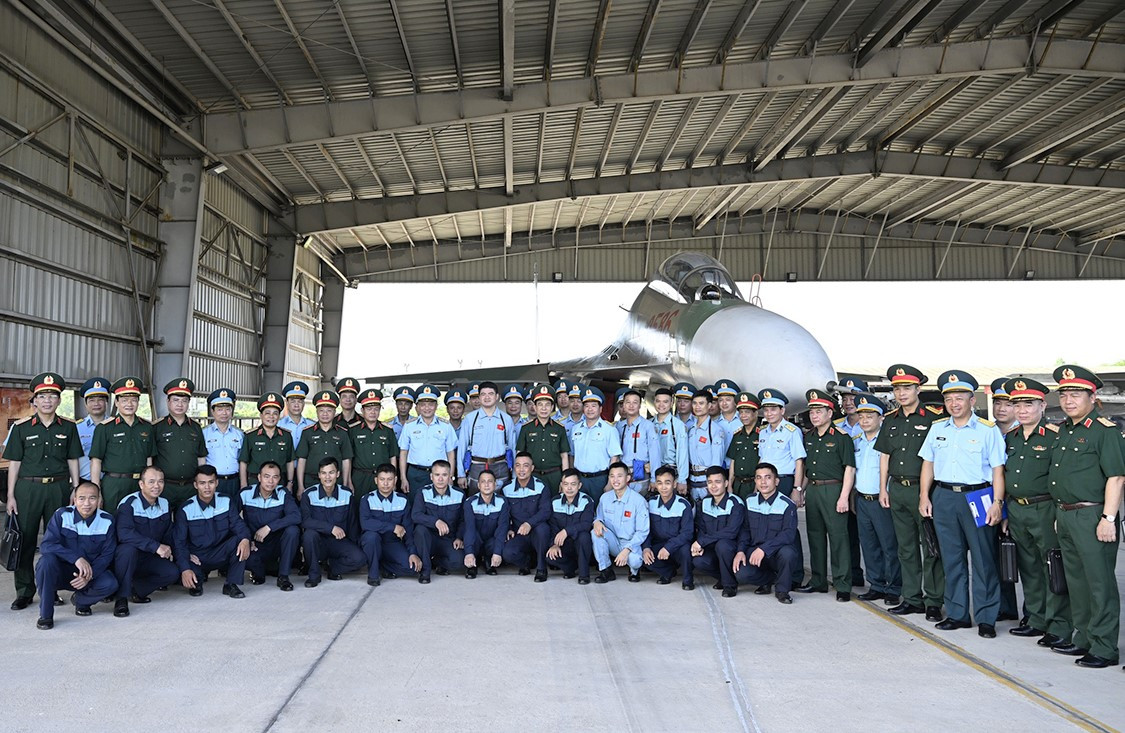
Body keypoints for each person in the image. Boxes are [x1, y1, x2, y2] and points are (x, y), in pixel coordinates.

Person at [1047, 365, 1125, 668]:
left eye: (1076, 394)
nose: (1068, 400)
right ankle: (1083, 638)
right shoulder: (1065, 429)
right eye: (1064, 395)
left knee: (1099, 583)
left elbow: (1116, 477)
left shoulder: (1104, 431)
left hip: (1093, 515)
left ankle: (1104, 648)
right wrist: (1061, 510)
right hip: (1066, 514)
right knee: (1076, 582)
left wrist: (1108, 518)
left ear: (1092, 397)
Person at [919, 370, 1007, 639]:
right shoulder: (937, 428)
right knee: (951, 558)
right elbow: (928, 464)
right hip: (944, 496)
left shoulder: (987, 431)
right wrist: (924, 496)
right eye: (949, 399)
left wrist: (997, 503)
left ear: (972, 400)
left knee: (983, 560)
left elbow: (998, 470)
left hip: (978, 497)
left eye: (959, 398)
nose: (954, 404)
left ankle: (986, 618)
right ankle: (958, 614)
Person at [1001, 377, 1072, 647]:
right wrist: (1005, 512)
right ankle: (1036, 619)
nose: (1022, 410)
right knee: (1028, 567)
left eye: (1028, 404)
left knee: (1052, 567)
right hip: (1017, 509)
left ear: (1042, 405)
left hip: (1045, 509)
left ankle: (1059, 625)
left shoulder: (1056, 436)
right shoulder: (1011, 437)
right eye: (1017, 405)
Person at [5, 372, 82, 610]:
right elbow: (14, 463)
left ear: (59, 400)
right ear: (35, 400)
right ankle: (24, 591)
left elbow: (73, 459)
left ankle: (52, 589)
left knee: (57, 540)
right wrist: (10, 495)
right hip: (28, 489)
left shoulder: (68, 427)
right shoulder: (21, 428)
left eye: (52, 396)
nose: (47, 400)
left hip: (59, 487)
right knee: (25, 540)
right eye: (42, 396)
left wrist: (75, 488)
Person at [876, 363, 946, 620]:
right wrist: (883, 488)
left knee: (931, 547)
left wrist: (927, 493)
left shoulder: (933, 418)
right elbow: (885, 456)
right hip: (897, 489)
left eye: (907, 388)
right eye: (897, 389)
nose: (901, 393)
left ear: (918, 389)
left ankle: (933, 600)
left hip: (924, 490)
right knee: (905, 548)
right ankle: (912, 598)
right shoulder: (890, 420)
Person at [33, 481, 117, 629]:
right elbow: (47, 545)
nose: (87, 503)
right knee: (45, 562)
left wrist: (89, 575)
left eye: (92, 498)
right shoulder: (62, 515)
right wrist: (76, 558)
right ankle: (45, 615)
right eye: (82, 498)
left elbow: (107, 555)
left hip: (89, 573)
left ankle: (81, 601)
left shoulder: (106, 521)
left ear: (99, 500)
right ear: (75, 499)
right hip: (61, 572)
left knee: (110, 584)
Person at [798, 389, 856, 602]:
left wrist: (843, 497)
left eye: (819, 411)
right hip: (813, 490)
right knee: (815, 536)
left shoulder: (841, 437)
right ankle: (818, 580)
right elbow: (807, 469)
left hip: (834, 490)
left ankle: (843, 584)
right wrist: (801, 491)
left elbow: (849, 468)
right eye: (812, 412)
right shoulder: (809, 437)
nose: (814, 416)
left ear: (830, 413)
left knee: (838, 538)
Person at [851, 394, 902, 606]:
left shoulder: (888, 440)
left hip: (882, 500)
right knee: (869, 545)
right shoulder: (856, 440)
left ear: (881, 418)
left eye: (870, 416)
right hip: (862, 499)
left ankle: (894, 587)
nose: (864, 420)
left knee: (889, 545)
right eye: (861, 416)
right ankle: (876, 585)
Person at [173, 465, 250, 599]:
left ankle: (231, 584)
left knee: (240, 540)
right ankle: (198, 579)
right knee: (193, 582)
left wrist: (245, 539)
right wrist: (185, 568)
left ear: (217, 483)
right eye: (202, 483)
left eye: (211, 482)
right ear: (196, 485)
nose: (207, 487)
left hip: (220, 552)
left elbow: (239, 524)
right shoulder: (186, 509)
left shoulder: (226, 501)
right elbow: (179, 542)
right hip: (197, 557)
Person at [113, 466, 180, 617]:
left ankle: (136, 590)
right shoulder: (129, 503)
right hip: (127, 558)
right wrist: (155, 546)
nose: (156, 486)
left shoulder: (164, 503)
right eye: (151, 482)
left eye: (160, 481)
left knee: (172, 573)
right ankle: (121, 599)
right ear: (141, 484)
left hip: (149, 557)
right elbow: (124, 534)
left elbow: (169, 535)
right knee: (127, 550)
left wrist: (184, 555)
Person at [756, 388, 806, 588]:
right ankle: (773, 573)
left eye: (773, 409)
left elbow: (799, 461)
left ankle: (795, 575)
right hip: (765, 483)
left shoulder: (792, 431)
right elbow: (762, 460)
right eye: (766, 409)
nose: (769, 413)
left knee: (789, 528)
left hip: (784, 482)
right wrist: (757, 486)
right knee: (766, 527)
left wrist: (797, 489)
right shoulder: (763, 432)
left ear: (782, 411)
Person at [734, 463, 801, 604]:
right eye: (759, 478)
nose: (763, 482)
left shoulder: (787, 505)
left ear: (776, 481)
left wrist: (764, 549)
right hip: (755, 552)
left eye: (767, 477)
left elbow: (788, 534)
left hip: (776, 553)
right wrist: (740, 551)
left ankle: (782, 591)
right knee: (741, 573)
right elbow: (745, 530)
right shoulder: (750, 501)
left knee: (788, 553)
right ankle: (768, 580)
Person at [89, 377, 155, 513]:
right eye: (124, 400)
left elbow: (149, 459)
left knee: (140, 519)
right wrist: (96, 491)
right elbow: (96, 461)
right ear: (117, 402)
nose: (129, 404)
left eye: (133, 400)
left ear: (138, 402)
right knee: (112, 520)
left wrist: (150, 485)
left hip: (140, 484)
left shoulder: (147, 427)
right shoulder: (105, 428)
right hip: (114, 485)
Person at [300, 457, 366, 587]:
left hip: (338, 542)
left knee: (360, 558)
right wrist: (330, 528)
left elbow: (352, 523)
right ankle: (314, 575)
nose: (327, 477)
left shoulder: (346, 494)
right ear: (319, 475)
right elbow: (305, 521)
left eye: (331, 472)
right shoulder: (309, 494)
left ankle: (332, 567)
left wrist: (353, 547)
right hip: (318, 542)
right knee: (309, 535)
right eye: (324, 473)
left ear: (338, 474)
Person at [239, 461, 300, 591]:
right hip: (255, 545)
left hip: (277, 545)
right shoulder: (245, 493)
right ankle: (260, 571)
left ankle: (283, 576)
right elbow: (233, 519)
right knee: (256, 571)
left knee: (293, 530)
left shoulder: (283, 493)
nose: (270, 481)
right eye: (266, 476)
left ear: (279, 479)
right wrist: (246, 539)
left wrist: (269, 527)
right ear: (259, 477)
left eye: (275, 477)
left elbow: (296, 516)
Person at [360, 464, 422, 585]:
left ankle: (383, 566)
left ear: (395, 480)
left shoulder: (402, 500)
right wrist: (392, 527)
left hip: (392, 543)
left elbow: (408, 529)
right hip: (373, 542)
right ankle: (373, 574)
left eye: (389, 479)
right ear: (376, 480)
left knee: (413, 568)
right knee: (371, 537)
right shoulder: (367, 499)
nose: (385, 483)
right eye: (382, 479)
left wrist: (412, 553)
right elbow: (365, 523)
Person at [691, 466, 746, 597]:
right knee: (698, 561)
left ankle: (729, 585)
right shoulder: (704, 502)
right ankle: (723, 577)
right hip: (712, 547)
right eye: (710, 482)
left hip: (731, 549)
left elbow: (731, 532)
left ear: (726, 483)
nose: (713, 486)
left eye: (718, 482)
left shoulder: (735, 503)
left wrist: (702, 542)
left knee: (723, 545)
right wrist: (700, 545)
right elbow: (702, 528)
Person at [592, 463, 649, 583]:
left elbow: (642, 532)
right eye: (612, 476)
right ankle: (606, 570)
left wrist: (627, 549)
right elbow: (598, 517)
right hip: (613, 541)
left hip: (631, 544)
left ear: (627, 478)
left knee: (635, 561)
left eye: (619, 476)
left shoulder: (638, 501)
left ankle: (634, 571)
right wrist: (597, 521)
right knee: (595, 532)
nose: (615, 480)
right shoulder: (605, 498)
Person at [154, 378, 207, 508]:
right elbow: (150, 457)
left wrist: (202, 483)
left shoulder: (196, 427)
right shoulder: (157, 427)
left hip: (190, 487)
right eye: (176, 400)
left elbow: (201, 458)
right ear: (168, 402)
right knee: (163, 519)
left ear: (188, 403)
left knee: (189, 519)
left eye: (184, 401)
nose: (180, 404)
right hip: (165, 487)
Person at [411, 460, 466, 583]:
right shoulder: (422, 493)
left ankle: (437, 562)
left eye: (444, 475)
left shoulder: (459, 494)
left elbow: (463, 520)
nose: (440, 479)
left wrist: (459, 537)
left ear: (450, 476)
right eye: (437, 475)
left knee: (459, 561)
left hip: (448, 539)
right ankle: (425, 571)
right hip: (428, 540)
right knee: (420, 530)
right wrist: (435, 521)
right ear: (431, 477)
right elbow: (415, 515)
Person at [399, 385, 457, 498]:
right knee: (415, 504)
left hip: (439, 474)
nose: (427, 408)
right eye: (423, 405)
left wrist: (450, 476)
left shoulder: (446, 426)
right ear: (418, 407)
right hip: (415, 473)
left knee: (439, 504)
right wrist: (403, 478)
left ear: (436, 406)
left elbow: (450, 453)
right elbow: (403, 453)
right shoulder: (409, 426)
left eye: (430, 404)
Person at [501, 453, 553, 581]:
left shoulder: (541, 486)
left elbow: (546, 511)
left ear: (532, 468)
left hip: (536, 531)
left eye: (525, 466)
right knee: (507, 553)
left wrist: (529, 523)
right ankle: (526, 563)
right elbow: (504, 514)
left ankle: (541, 568)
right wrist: (509, 528)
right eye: (518, 466)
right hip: (519, 533)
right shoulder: (507, 488)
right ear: (514, 467)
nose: (521, 470)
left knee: (543, 529)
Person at [457, 381, 516, 491]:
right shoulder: (470, 419)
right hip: (476, 466)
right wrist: (461, 475)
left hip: (500, 466)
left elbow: (513, 447)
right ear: (479, 397)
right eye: (483, 394)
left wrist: (515, 475)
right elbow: (462, 447)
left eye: (491, 394)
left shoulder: (506, 419)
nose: (487, 397)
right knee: (475, 499)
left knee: (501, 499)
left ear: (497, 397)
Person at [295, 390, 354, 498]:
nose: (325, 414)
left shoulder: (342, 433)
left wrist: (345, 483)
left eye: (329, 411)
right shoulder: (307, 432)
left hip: (336, 482)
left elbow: (346, 460)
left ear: (334, 412)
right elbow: (302, 460)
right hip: (311, 481)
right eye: (321, 410)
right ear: (317, 412)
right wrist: (300, 486)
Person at [643, 466, 694, 589]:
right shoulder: (651, 503)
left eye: (667, 483)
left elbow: (687, 533)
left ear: (674, 484)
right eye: (659, 483)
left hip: (677, 545)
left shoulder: (683, 505)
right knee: (643, 556)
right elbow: (645, 529)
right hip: (659, 544)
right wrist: (646, 548)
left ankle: (688, 580)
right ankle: (667, 572)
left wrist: (668, 548)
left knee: (686, 550)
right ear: (656, 484)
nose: (663, 487)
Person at [516, 384, 571, 492]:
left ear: (552, 407)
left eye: (547, 405)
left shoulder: (559, 428)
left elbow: (564, 456)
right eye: (540, 404)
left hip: (554, 476)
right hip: (532, 475)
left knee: (554, 501)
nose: (544, 408)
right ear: (535, 407)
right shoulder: (526, 428)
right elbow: (520, 454)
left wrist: (565, 480)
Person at [570, 386, 622, 500]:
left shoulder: (609, 430)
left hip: (600, 479)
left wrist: (610, 483)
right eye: (587, 406)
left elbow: (614, 458)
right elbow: (572, 455)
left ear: (600, 409)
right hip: (579, 479)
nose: (590, 409)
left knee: (600, 509)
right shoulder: (576, 429)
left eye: (594, 406)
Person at [238, 392, 295, 490]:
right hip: (255, 483)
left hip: (279, 483)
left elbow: (290, 462)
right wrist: (243, 485)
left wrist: (290, 483)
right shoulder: (251, 436)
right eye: (267, 413)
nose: (271, 417)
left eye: (275, 413)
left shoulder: (286, 436)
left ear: (279, 416)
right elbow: (243, 462)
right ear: (261, 415)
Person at [547, 469, 595, 583]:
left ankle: (584, 574)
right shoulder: (555, 502)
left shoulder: (586, 501)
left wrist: (566, 531)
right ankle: (570, 568)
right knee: (549, 556)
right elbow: (552, 526)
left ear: (579, 485)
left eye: (573, 484)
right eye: (566, 484)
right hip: (564, 543)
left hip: (580, 543)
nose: (569, 488)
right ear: (561, 485)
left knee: (584, 537)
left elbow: (587, 524)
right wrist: (554, 544)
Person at [350, 389, 399, 497]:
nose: (373, 412)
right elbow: (348, 458)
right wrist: (348, 479)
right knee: (359, 505)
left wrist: (393, 479)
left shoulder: (387, 430)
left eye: (376, 409)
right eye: (369, 409)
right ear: (362, 410)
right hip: (360, 477)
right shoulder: (353, 430)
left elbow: (392, 456)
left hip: (383, 478)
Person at [462, 469, 509, 578]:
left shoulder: (502, 502)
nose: (486, 485)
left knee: (502, 539)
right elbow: (469, 529)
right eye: (483, 482)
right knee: (471, 535)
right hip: (476, 541)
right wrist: (469, 553)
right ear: (478, 485)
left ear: (495, 484)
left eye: (490, 481)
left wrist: (497, 553)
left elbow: (502, 528)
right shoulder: (470, 502)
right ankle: (472, 565)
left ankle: (489, 561)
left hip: (491, 542)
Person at [616, 388, 662, 494]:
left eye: (635, 402)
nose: (631, 406)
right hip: (623, 475)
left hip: (641, 475)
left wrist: (655, 478)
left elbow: (655, 453)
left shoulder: (648, 426)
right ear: (623, 405)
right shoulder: (619, 427)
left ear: (640, 405)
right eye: (628, 402)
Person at [685, 389, 727, 500]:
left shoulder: (715, 430)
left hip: (707, 482)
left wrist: (713, 483)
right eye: (694, 403)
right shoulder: (691, 429)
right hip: (692, 481)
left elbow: (717, 461)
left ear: (709, 405)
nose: (697, 407)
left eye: (701, 403)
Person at [203, 388, 244, 500]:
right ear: (213, 411)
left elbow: (242, 460)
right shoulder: (204, 434)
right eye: (220, 409)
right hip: (213, 482)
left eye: (228, 409)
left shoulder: (240, 434)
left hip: (234, 481)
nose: (224, 413)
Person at [650, 387, 688, 495]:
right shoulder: (649, 424)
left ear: (671, 403)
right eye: (658, 401)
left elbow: (682, 454)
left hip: (671, 473)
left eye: (665, 402)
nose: (661, 405)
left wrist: (682, 480)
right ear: (654, 402)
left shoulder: (678, 425)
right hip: (653, 473)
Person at [727, 392, 761, 500]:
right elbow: (733, 461)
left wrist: (757, 487)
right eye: (741, 412)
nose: (743, 416)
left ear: (755, 413)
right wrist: (730, 485)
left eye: (747, 412)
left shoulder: (762, 434)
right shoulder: (737, 435)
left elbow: (762, 461)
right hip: (737, 485)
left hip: (754, 483)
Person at [76, 377, 110, 481]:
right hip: (84, 482)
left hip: (111, 482)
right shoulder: (77, 428)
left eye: (100, 400)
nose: (96, 404)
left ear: (106, 403)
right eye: (91, 400)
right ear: (85, 404)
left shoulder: (115, 426)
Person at [278, 380, 315, 449]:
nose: (296, 405)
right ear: (287, 403)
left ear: (304, 404)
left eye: (300, 401)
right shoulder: (279, 425)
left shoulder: (312, 426)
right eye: (293, 401)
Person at [713, 379, 741, 455]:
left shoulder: (743, 421)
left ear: (735, 402)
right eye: (720, 400)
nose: (724, 403)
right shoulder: (714, 424)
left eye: (728, 400)